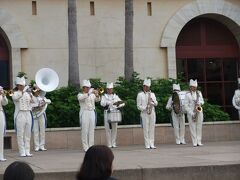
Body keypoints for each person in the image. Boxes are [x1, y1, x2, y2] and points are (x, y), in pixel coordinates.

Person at [12, 75, 33, 157]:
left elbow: (32, 103)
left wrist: (32, 95)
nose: (22, 86)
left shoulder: (27, 94)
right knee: (20, 134)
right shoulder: (13, 92)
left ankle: (27, 151)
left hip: (28, 113)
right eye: (20, 85)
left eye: (23, 85)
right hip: (20, 114)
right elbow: (15, 98)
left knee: (28, 133)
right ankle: (22, 151)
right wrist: (23, 92)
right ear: (17, 86)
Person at [77, 80, 101, 152]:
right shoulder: (80, 94)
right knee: (85, 130)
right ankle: (85, 147)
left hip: (92, 112)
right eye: (86, 88)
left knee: (91, 130)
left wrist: (97, 94)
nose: (88, 89)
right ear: (83, 88)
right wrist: (90, 92)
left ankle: (91, 146)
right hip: (84, 112)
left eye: (89, 87)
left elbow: (98, 100)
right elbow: (80, 99)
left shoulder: (92, 95)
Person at [100, 82, 125, 148]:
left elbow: (122, 103)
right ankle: (109, 143)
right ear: (106, 89)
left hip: (114, 112)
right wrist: (108, 102)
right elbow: (102, 103)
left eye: (110, 89)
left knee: (115, 128)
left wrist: (117, 105)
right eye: (108, 89)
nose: (109, 90)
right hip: (107, 112)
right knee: (107, 128)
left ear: (112, 89)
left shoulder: (115, 96)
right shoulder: (104, 96)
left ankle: (113, 143)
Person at [136, 79, 158, 149]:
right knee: (146, 129)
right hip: (144, 113)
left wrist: (152, 102)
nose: (147, 88)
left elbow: (156, 103)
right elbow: (138, 106)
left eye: (148, 87)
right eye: (146, 86)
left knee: (152, 128)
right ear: (143, 86)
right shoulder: (140, 95)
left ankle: (152, 143)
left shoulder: (152, 94)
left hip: (152, 112)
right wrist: (145, 108)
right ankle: (147, 144)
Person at [185, 79, 204, 147]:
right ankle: (194, 142)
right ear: (190, 87)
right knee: (193, 127)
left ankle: (199, 141)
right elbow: (186, 106)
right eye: (193, 87)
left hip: (199, 111)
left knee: (199, 127)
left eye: (195, 87)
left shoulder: (199, 93)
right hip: (191, 112)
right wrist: (191, 113)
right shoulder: (187, 95)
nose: (194, 88)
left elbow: (202, 101)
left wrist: (199, 103)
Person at [31, 84, 51, 151]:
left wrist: (44, 102)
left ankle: (42, 146)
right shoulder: (31, 97)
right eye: (35, 90)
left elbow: (49, 101)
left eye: (38, 90)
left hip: (41, 115)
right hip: (34, 115)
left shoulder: (42, 97)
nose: (37, 91)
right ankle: (37, 146)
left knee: (42, 130)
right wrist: (37, 106)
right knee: (35, 131)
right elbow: (30, 106)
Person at [0, 86, 8, 161]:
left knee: (0, 135)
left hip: (0, 113)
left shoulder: (1, 95)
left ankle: (1, 155)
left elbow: (5, 103)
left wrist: (3, 95)